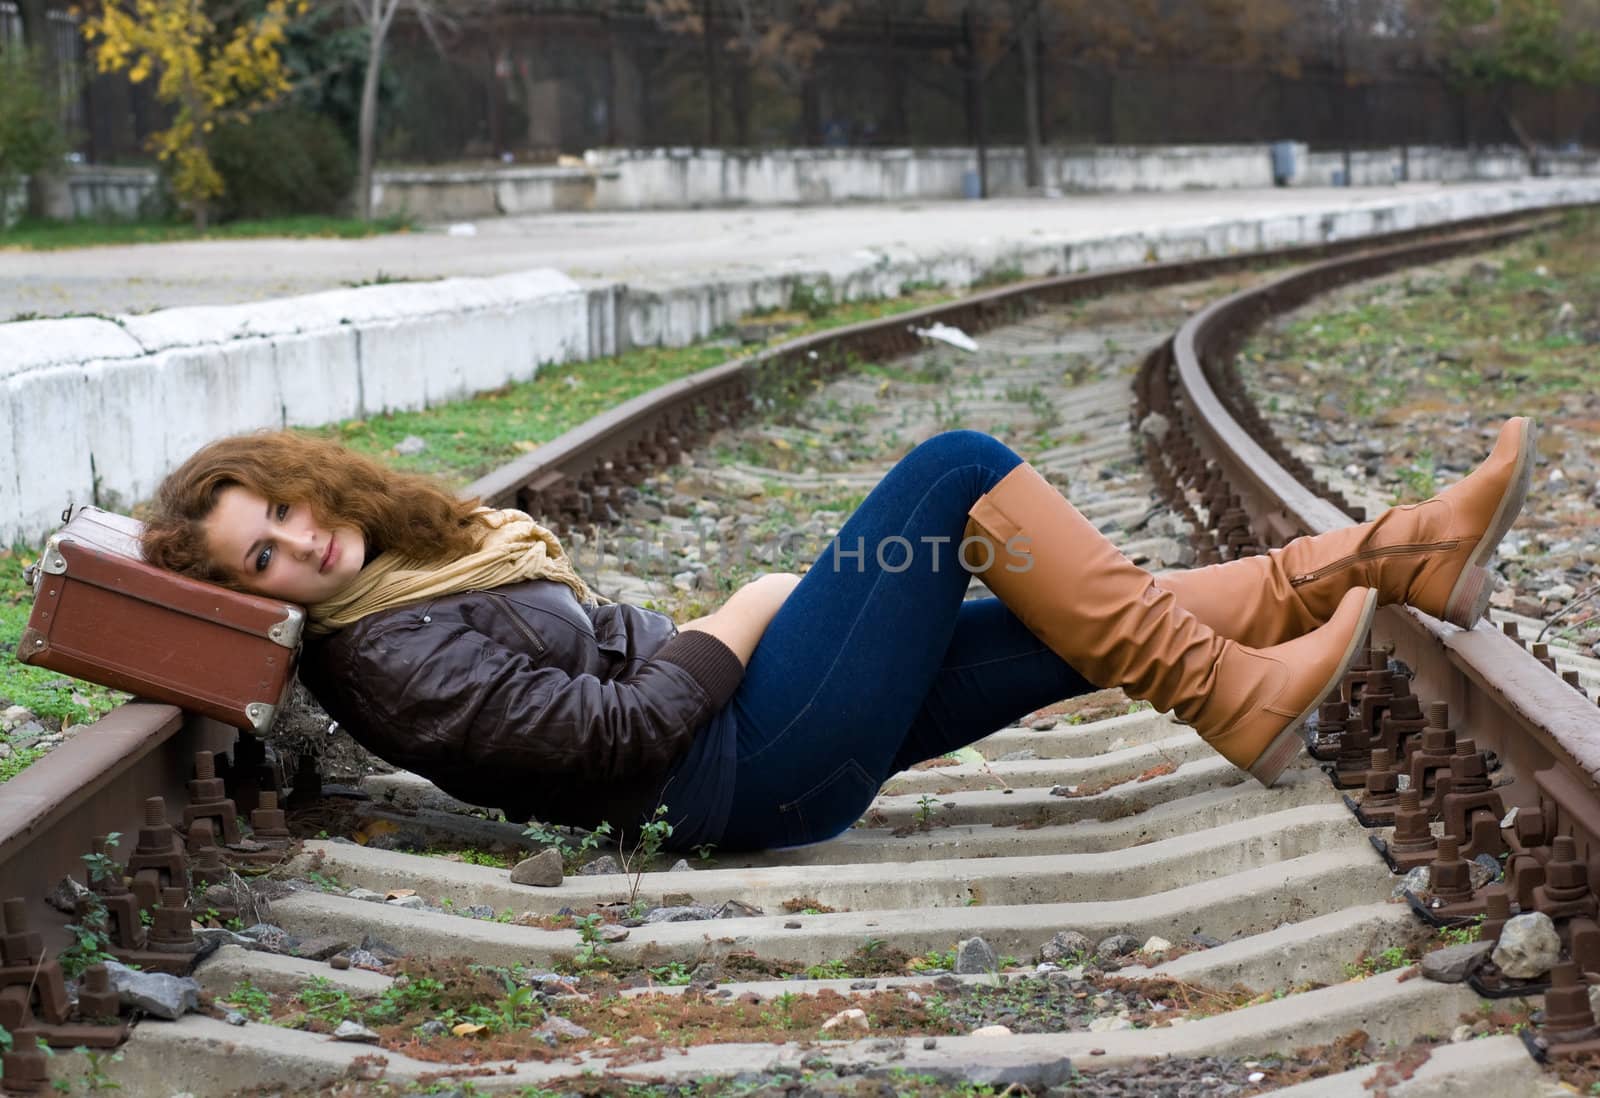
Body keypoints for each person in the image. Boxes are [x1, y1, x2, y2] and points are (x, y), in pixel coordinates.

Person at [141, 419, 1535, 852]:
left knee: (1059, 618)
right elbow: (611, 735)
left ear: (306, 478)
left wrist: (728, 630)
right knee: (953, 473)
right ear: (264, 590)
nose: (300, 543)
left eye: (284, 511)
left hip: (746, 739)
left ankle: (1392, 554)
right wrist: (740, 616)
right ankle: (1233, 697)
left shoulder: (404, 568)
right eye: (262, 559)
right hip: (735, 771)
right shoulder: (381, 652)